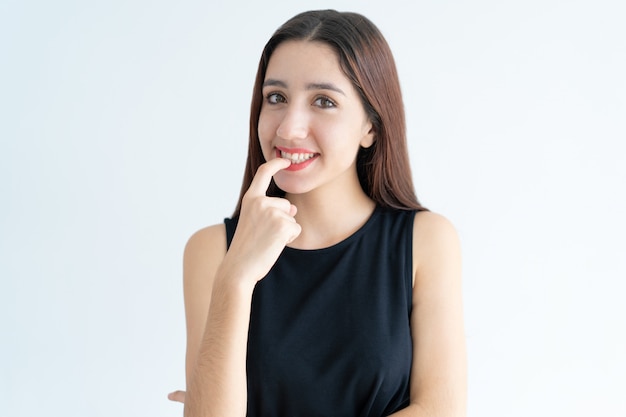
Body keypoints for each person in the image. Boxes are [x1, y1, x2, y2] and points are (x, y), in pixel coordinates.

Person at [168, 9, 466, 417]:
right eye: (276, 98)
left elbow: (441, 410)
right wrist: (236, 278)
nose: (289, 128)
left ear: (371, 127)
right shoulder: (212, 250)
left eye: (323, 101)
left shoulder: (426, 240)